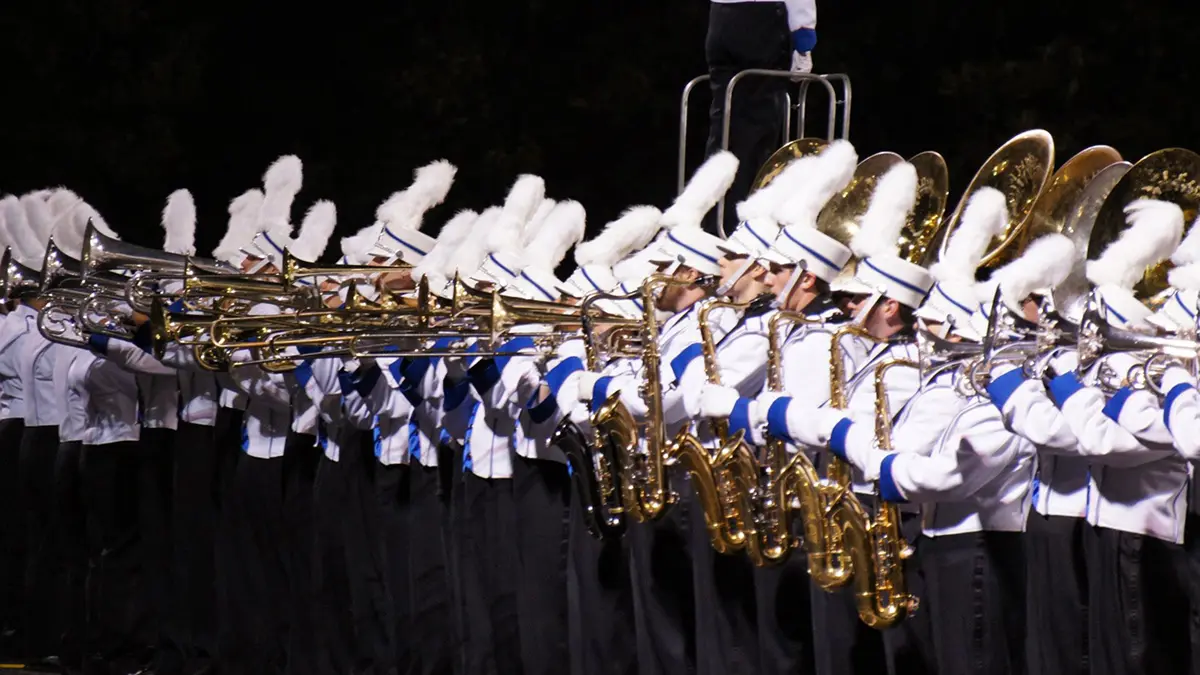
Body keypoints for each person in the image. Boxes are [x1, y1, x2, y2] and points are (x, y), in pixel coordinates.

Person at [704, 0, 818, 237]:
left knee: (724, 127)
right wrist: (803, 43)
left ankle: (713, 225)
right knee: (758, 132)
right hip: (759, 20)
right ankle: (740, 231)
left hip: (720, 17)